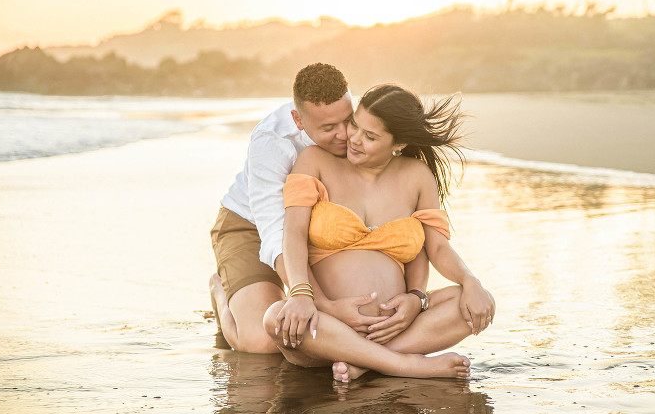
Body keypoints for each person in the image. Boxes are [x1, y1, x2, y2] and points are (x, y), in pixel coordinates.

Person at [263, 84, 496, 380]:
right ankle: (404, 364)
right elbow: (293, 233)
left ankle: (365, 362)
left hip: (396, 327)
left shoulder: (417, 176)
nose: (354, 140)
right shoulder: (315, 160)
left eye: (370, 136)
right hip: (325, 328)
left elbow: (437, 248)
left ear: (397, 143)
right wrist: (302, 295)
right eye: (354, 125)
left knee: (473, 300)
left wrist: (423, 296)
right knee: (274, 317)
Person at [209, 65, 427, 353]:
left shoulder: (360, 126)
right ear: (298, 120)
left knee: (309, 331)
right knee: (260, 343)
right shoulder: (272, 142)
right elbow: (277, 232)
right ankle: (220, 292)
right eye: (328, 128)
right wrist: (317, 301)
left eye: (347, 120)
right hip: (252, 225)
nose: (344, 135)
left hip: (317, 221)